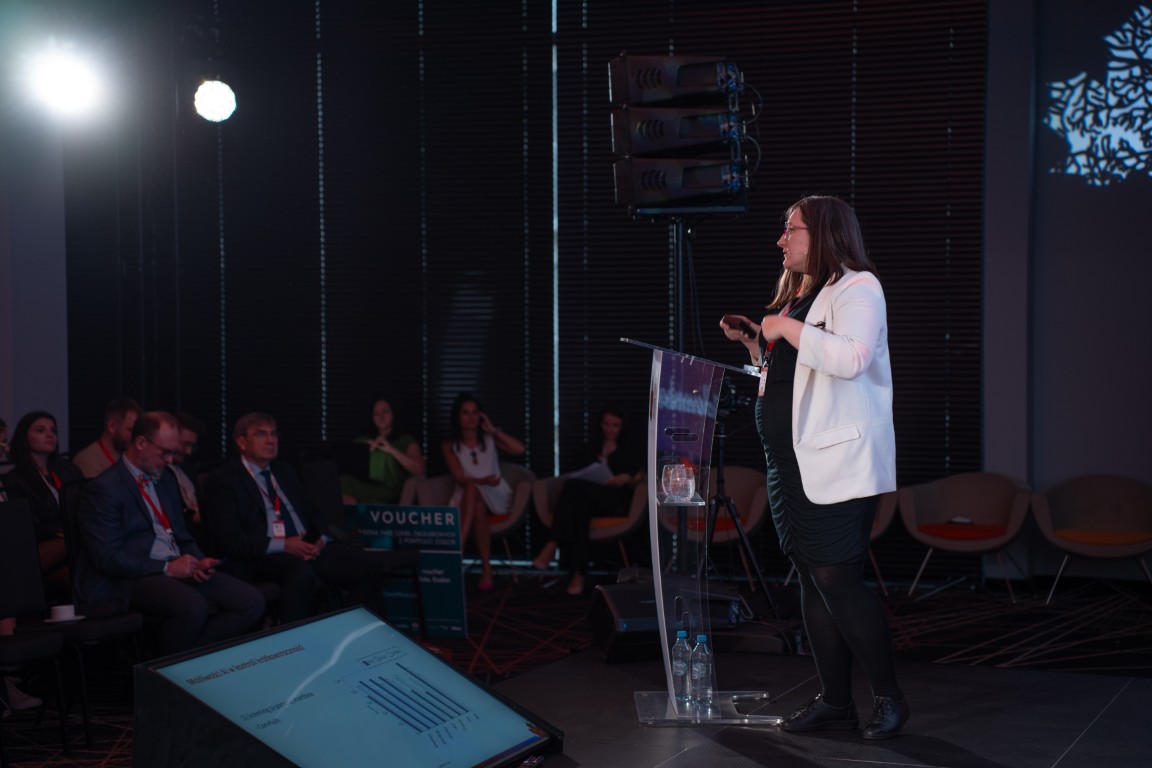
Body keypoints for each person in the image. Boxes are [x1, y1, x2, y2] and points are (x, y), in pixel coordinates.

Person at [719, 195, 907, 740]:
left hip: (837, 463)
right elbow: (792, 378)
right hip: (790, 465)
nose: (781, 240)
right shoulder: (803, 295)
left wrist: (782, 328)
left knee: (837, 581)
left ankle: (890, 699)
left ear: (823, 233)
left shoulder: (859, 287)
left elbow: (851, 358)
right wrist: (757, 344)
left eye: (791, 230)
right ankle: (835, 702)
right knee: (810, 579)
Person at [74, 411, 264, 654]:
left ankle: (187, 661)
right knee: (193, 607)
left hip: (175, 566)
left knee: (251, 602)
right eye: (165, 452)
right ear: (141, 443)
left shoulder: (165, 480)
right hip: (130, 578)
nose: (171, 460)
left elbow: (181, 535)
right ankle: (177, 668)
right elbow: (108, 558)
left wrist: (198, 560)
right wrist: (167, 568)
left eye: (174, 453)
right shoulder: (104, 489)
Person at [202, 412, 420, 623]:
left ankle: (343, 629)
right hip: (264, 555)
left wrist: (321, 539)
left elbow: (313, 512)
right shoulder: (224, 480)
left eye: (274, 434)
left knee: (370, 564)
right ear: (241, 442)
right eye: (261, 434)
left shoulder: (285, 471)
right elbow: (231, 540)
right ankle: (295, 641)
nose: (271, 440)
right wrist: (285, 545)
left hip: (308, 546)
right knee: (300, 572)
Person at [530, 403, 644, 595]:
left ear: (622, 427)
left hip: (613, 500)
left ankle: (552, 543)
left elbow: (639, 480)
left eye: (615, 425)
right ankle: (578, 574)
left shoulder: (631, 449)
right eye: (606, 424)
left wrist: (626, 478)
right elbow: (577, 472)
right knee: (582, 506)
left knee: (574, 489)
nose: (609, 429)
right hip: (588, 501)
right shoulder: (590, 447)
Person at [442, 393, 525, 590]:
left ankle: (458, 548)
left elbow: (519, 449)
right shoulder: (449, 445)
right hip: (467, 495)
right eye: (465, 413)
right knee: (477, 504)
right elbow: (460, 477)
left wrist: (493, 430)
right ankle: (487, 568)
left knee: (473, 491)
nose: (470, 417)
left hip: (495, 492)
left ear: (481, 416)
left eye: (475, 412)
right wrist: (482, 481)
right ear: (458, 416)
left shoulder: (489, 438)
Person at [1, 411, 86, 597]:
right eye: (41, 430)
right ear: (24, 437)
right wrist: (58, 532)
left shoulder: (68, 470)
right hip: (39, 547)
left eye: (53, 431)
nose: (50, 435)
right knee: (79, 543)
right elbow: (24, 526)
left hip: (70, 546)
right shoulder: (15, 479)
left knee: (80, 577)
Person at [339, 397, 426, 505]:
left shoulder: (405, 440)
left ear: (393, 412)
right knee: (344, 481)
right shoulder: (363, 440)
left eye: (385, 411)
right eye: (376, 413)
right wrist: (364, 451)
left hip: (390, 490)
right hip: (365, 484)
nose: (381, 416)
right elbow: (346, 464)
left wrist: (390, 449)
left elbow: (419, 468)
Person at [72, 397, 141, 479]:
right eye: (130, 430)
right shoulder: (87, 461)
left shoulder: (126, 457)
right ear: (112, 426)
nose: (135, 437)